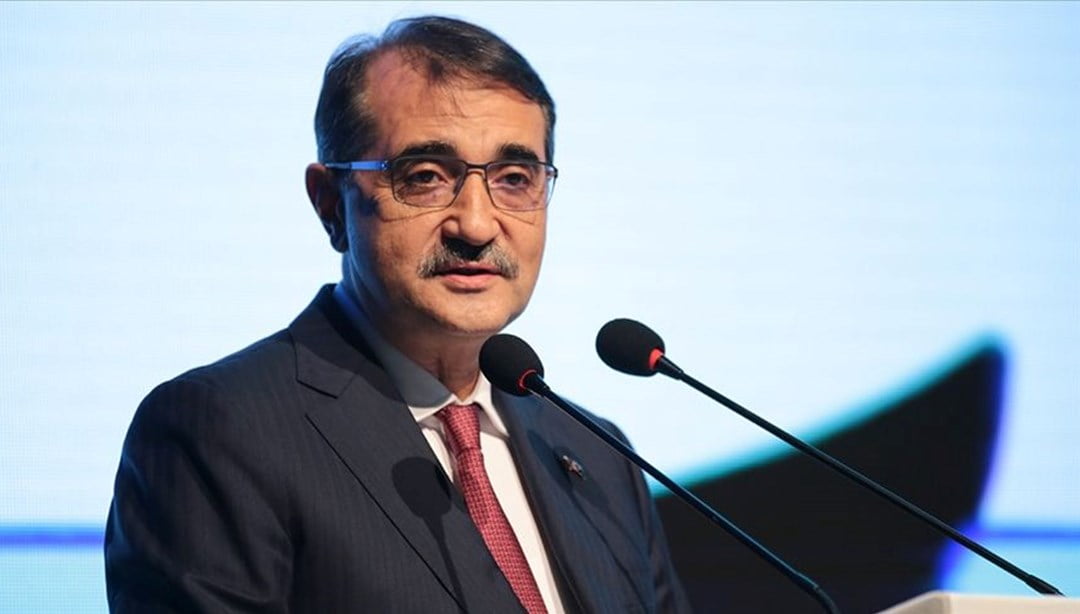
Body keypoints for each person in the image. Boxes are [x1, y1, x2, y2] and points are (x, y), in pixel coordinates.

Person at [105, 15, 689, 613]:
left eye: (515, 179)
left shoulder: (601, 457)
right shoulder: (218, 434)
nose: (476, 225)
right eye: (426, 177)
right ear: (330, 204)